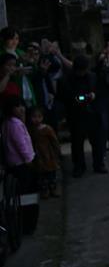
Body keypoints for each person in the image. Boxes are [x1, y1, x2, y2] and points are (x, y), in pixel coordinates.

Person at [58, 55, 107, 176]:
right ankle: (79, 166)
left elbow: (100, 90)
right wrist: (78, 99)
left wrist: (93, 96)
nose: (82, 73)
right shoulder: (66, 80)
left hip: (93, 112)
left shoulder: (92, 77)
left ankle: (99, 164)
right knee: (77, 142)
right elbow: (64, 97)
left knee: (97, 141)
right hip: (76, 114)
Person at [3, 96, 39, 233]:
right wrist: (29, 160)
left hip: (15, 164)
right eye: (17, 106)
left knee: (22, 197)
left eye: (22, 105)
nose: (21, 108)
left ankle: (24, 224)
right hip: (23, 164)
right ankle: (28, 225)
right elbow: (21, 145)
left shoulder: (8, 123)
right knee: (28, 197)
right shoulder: (15, 124)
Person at [27, 106, 61, 199]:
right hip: (38, 155)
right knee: (42, 176)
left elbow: (54, 141)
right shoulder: (31, 130)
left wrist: (57, 152)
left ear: (42, 117)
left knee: (51, 175)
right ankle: (44, 190)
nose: (36, 119)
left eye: (39, 117)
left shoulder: (47, 129)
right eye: (34, 117)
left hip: (48, 154)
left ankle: (53, 189)